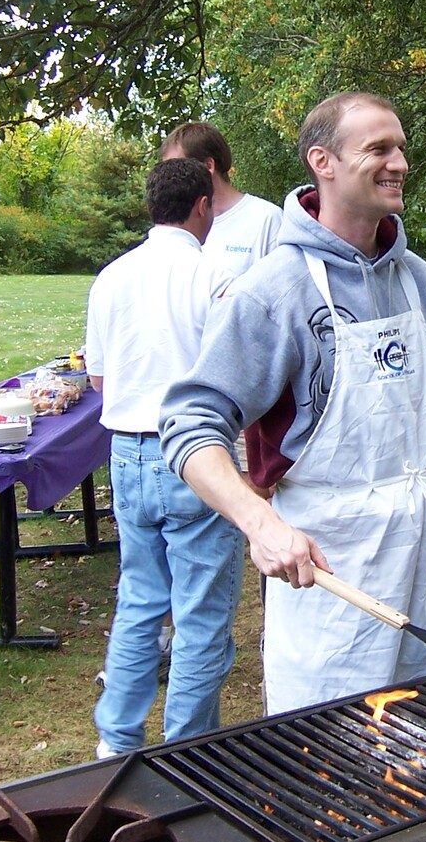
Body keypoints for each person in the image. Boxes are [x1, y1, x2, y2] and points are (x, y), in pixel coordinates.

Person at [159, 91, 426, 714]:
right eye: (378, 148)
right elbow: (190, 424)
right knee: (336, 749)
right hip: (333, 570)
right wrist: (259, 524)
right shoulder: (274, 290)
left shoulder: (424, 285)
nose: (399, 162)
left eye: (401, 148)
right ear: (322, 162)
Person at [84, 159, 246, 758]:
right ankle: (187, 750)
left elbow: (98, 378)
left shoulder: (112, 277)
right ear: (203, 206)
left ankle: (117, 740)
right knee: (200, 614)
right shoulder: (215, 275)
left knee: (140, 600)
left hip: (127, 452)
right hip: (195, 453)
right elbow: (238, 377)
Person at [157, 120, 281, 675]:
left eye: (174, 167)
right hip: (192, 410)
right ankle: (177, 641)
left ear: (206, 168)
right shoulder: (177, 225)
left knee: (260, 517)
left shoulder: (263, 221)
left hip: (248, 408)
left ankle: (276, 626)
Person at [161, 120, 282, 277]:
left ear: (208, 166)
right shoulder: (175, 228)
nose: (169, 179)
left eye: (178, 168)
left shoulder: (267, 219)